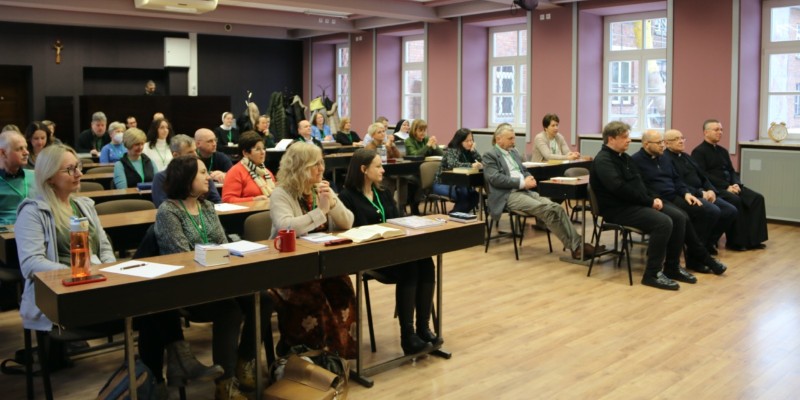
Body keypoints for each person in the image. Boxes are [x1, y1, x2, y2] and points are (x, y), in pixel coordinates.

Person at [15, 145, 125, 376]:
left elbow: (103, 245)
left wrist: (110, 270)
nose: (79, 174)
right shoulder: (33, 212)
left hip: (98, 285)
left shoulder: (84, 205)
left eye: (79, 167)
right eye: (70, 169)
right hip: (62, 296)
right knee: (146, 312)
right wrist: (78, 272)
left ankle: (147, 377)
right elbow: (31, 263)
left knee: (154, 307)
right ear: (50, 177)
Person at [154, 155, 249, 399]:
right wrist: (219, 253)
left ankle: (244, 361)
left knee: (264, 298)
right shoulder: (168, 211)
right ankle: (225, 383)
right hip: (190, 289)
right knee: (231, 311)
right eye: (202, 173)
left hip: (220, 280)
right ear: (185, 179)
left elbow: (223, 242)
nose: (209, 177)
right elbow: (181, 255)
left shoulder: (207, 206)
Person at [590, 122, 722, 291]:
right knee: (663, 222)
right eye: (624, 137)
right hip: (617, 210)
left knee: (679, 216)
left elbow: (640, 184)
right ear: (611, 139)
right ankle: (652, 273)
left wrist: (653, 198)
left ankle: (672, 267)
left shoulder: (624, 157)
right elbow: (620, 189)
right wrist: (649, 202)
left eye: (628, 136)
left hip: (633, 204)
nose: (629, 140)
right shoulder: (604, 160)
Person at [339, 149, 439, 355]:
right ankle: (407, 336)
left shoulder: (383, 192)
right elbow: (350, 230)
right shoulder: (347, 197)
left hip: (395, 250)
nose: (383, 170)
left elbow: (397, 219)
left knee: (426, 262)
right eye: (378, 166)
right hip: (369, 256)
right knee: (410, 266)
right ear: (363, 170)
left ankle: (423, 329)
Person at [269, 142, 357, 358]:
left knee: (343, 290)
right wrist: (321, 211)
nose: (321, 168)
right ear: (300, 167)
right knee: (315, 302)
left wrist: (332, 203)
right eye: (315, 164)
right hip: (290, 268)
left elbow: (348, 222)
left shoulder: (321, 188)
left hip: (321, 264)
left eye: (321, 163)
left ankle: (337, 355)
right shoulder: (282, 193)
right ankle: (306, 355)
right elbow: (286, 226)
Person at [484, 123, 597, 261]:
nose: (514, 142)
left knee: (557, 208)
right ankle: (576, 247)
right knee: (548, 209)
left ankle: (578, 246)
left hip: (525, 190)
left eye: (514, 138)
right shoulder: (490, 155)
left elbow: (523, 169)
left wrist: (528, 176)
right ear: (498, 139)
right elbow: (495, 179)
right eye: (510, 139)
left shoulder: (513, 152)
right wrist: (522, 183)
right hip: (508, 195)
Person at [631, 130, 729, 274]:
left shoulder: (663, 158)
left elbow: (676, 180)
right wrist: (654, 199)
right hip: (659, 199)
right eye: (658, 143)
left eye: (662, 142)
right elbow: (642, 187)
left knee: (707, 211)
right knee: (683, 217)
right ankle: (700, 259)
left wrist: (686, 193)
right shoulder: (636, 161)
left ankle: (698, 257)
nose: (662, 146)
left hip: (675, 196)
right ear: (646, 144)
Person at [691, 119, 768, 251]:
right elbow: (703, 175)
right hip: (716, 188)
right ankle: (736, 242)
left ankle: (754, 240)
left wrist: (736, 183)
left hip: (731, 185)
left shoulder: (722, 151)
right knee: (736, 200)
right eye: (716, 130)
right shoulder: (699, 152)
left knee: (757, 198)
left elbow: (732, 171)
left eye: (721, 130)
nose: (720, 132)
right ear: (706, 132)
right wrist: (726, 187)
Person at [664, 129, 737, 255]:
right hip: (687, 195)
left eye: (682, 138)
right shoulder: (665, 159)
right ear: (666, 143)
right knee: (712, 211)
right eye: (676, 139)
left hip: (703, 192)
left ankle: (708, 242)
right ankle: (697, 248)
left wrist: (711, 190)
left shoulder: (686, 156)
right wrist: (700, 194)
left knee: (730, 211)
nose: (681, 141)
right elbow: (678, 184)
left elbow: (703, 176)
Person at [151, 134, 221, 207]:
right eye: (190, 152)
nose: (195, 155)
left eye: (195, 150)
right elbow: (163, 205)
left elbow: (217, 201)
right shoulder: (162, 177)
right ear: (175, 155)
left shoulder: (202, 174)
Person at [433, 128, 483, 213]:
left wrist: (473, 151)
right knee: (464, 195)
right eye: (467, 141)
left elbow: (480, 160)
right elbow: (453, 164)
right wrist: (471, 165)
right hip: (443, 183)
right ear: (460, 141)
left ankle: (455, 215)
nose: (470, 143)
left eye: (471, 140)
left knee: (475, 196)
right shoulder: (452, 150)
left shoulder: (468, 151)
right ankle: (455, 217)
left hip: (461, 183)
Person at [222, 131, 276, 203]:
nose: (263, 152)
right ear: (245, 153)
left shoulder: (267, 173)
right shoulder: (235, 172)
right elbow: (227, 200)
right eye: (258, 149)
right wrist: (253, 200)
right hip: (246, 213)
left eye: (263, 148)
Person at [0, 131, 36, 225]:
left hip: (34, 228)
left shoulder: (35, 176)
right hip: (5, 234)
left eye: (26, 148)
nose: (26, 152)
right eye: (19, 149)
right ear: (3, 153)